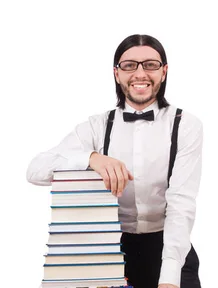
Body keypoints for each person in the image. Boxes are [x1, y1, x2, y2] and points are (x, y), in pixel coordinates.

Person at [26, 34, 203, 288]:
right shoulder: (97, 126)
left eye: (150, 65)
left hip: (170, 246)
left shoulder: (186, 125)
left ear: (163, 72)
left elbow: (181, 203)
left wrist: (169, 279)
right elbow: (35, 171)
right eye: (130, 65)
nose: (140, 73)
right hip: (109, 248)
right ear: (117, 73)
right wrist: (91, 158)